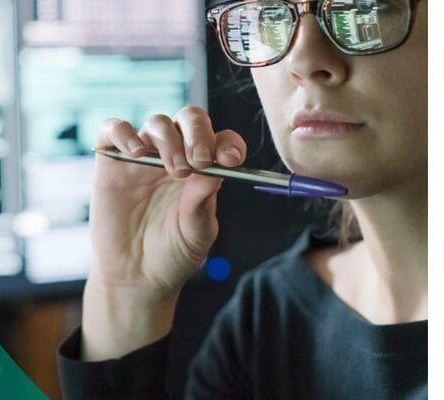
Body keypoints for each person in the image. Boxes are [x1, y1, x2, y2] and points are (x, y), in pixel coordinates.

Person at [57, 0, 427, 398]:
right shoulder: (267, 321)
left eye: (364, 6)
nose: (302, 60)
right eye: (269, 12)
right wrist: (126, 293)